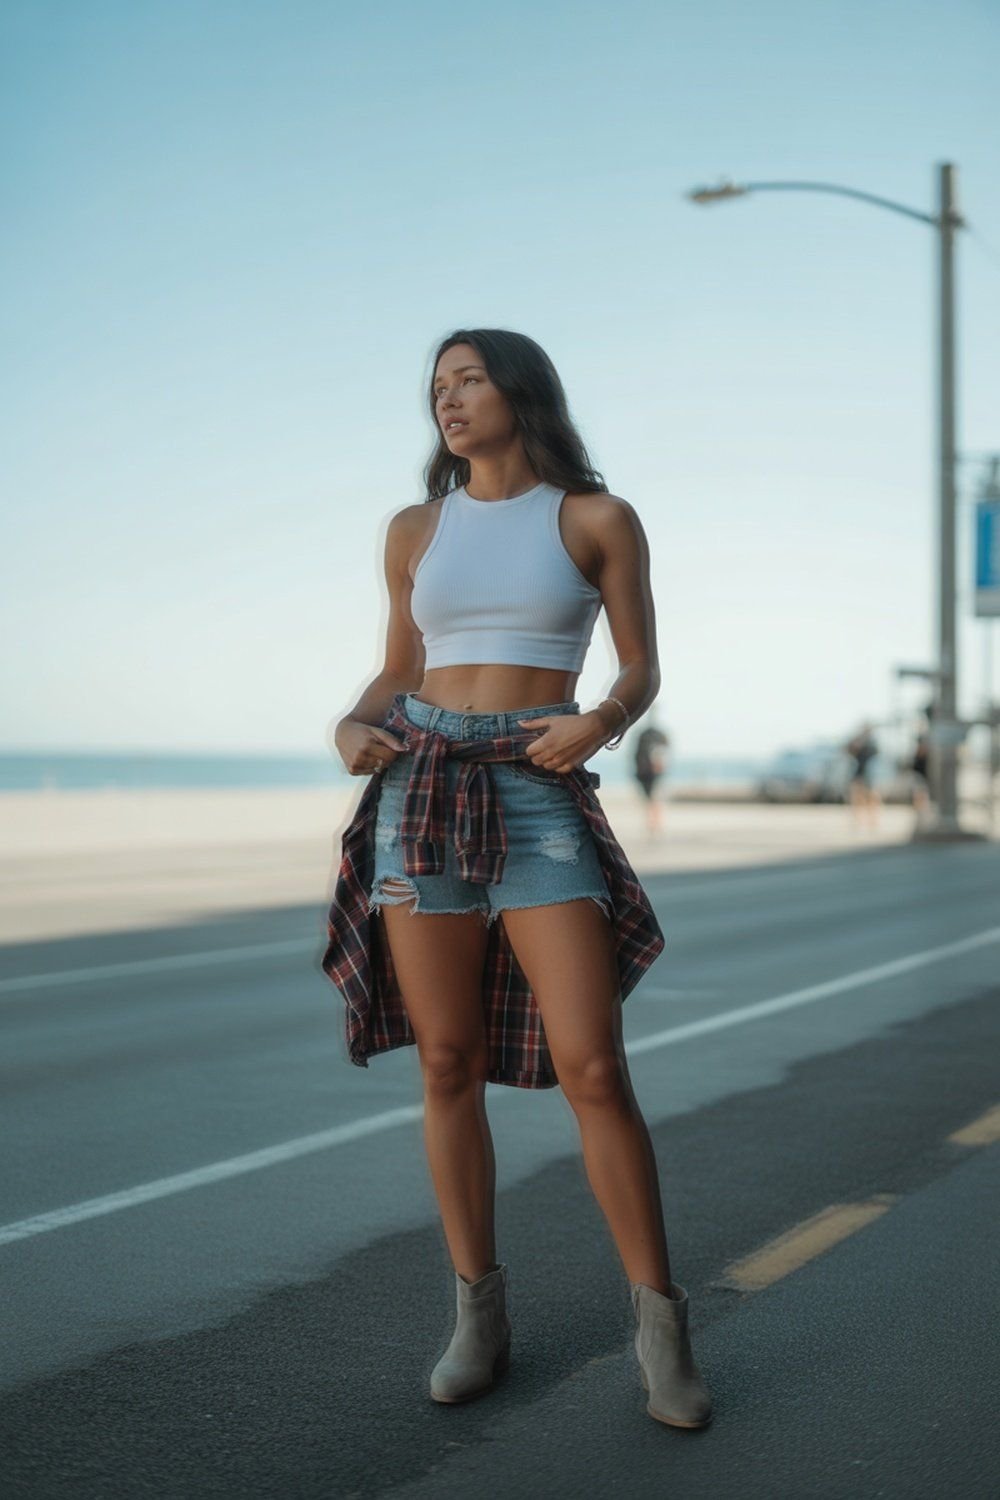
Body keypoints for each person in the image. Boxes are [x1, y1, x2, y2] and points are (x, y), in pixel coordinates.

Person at [323, 328, 711, 1429]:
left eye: (468, 378)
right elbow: (400, 668)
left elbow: (638, 664)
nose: (447, 399)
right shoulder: (414, 529)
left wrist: (600, 717)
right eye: (435, 385)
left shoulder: (594, 517)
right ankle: (477, 1317)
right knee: (447, 1059)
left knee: (592, 1066)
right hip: (421, 787)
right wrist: (353, 722)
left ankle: (661, 1328)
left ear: (520, 390)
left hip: (539, 791)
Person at [633, 717, 671, 836]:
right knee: (651, 799)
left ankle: (654, 824)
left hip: (648, 773)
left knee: (653, 799)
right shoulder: (647, 736)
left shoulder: (648, 736)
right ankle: (653, 824)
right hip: (646, 773)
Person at [845, 720, 881, 832]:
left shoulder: (872, 742)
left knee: (871, 798)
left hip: (870, 774)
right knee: (856, 797)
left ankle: (872, 820)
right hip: (859, 772)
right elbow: (848, 750)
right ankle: (857, 820)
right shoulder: (857, 740)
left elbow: (876, 754)